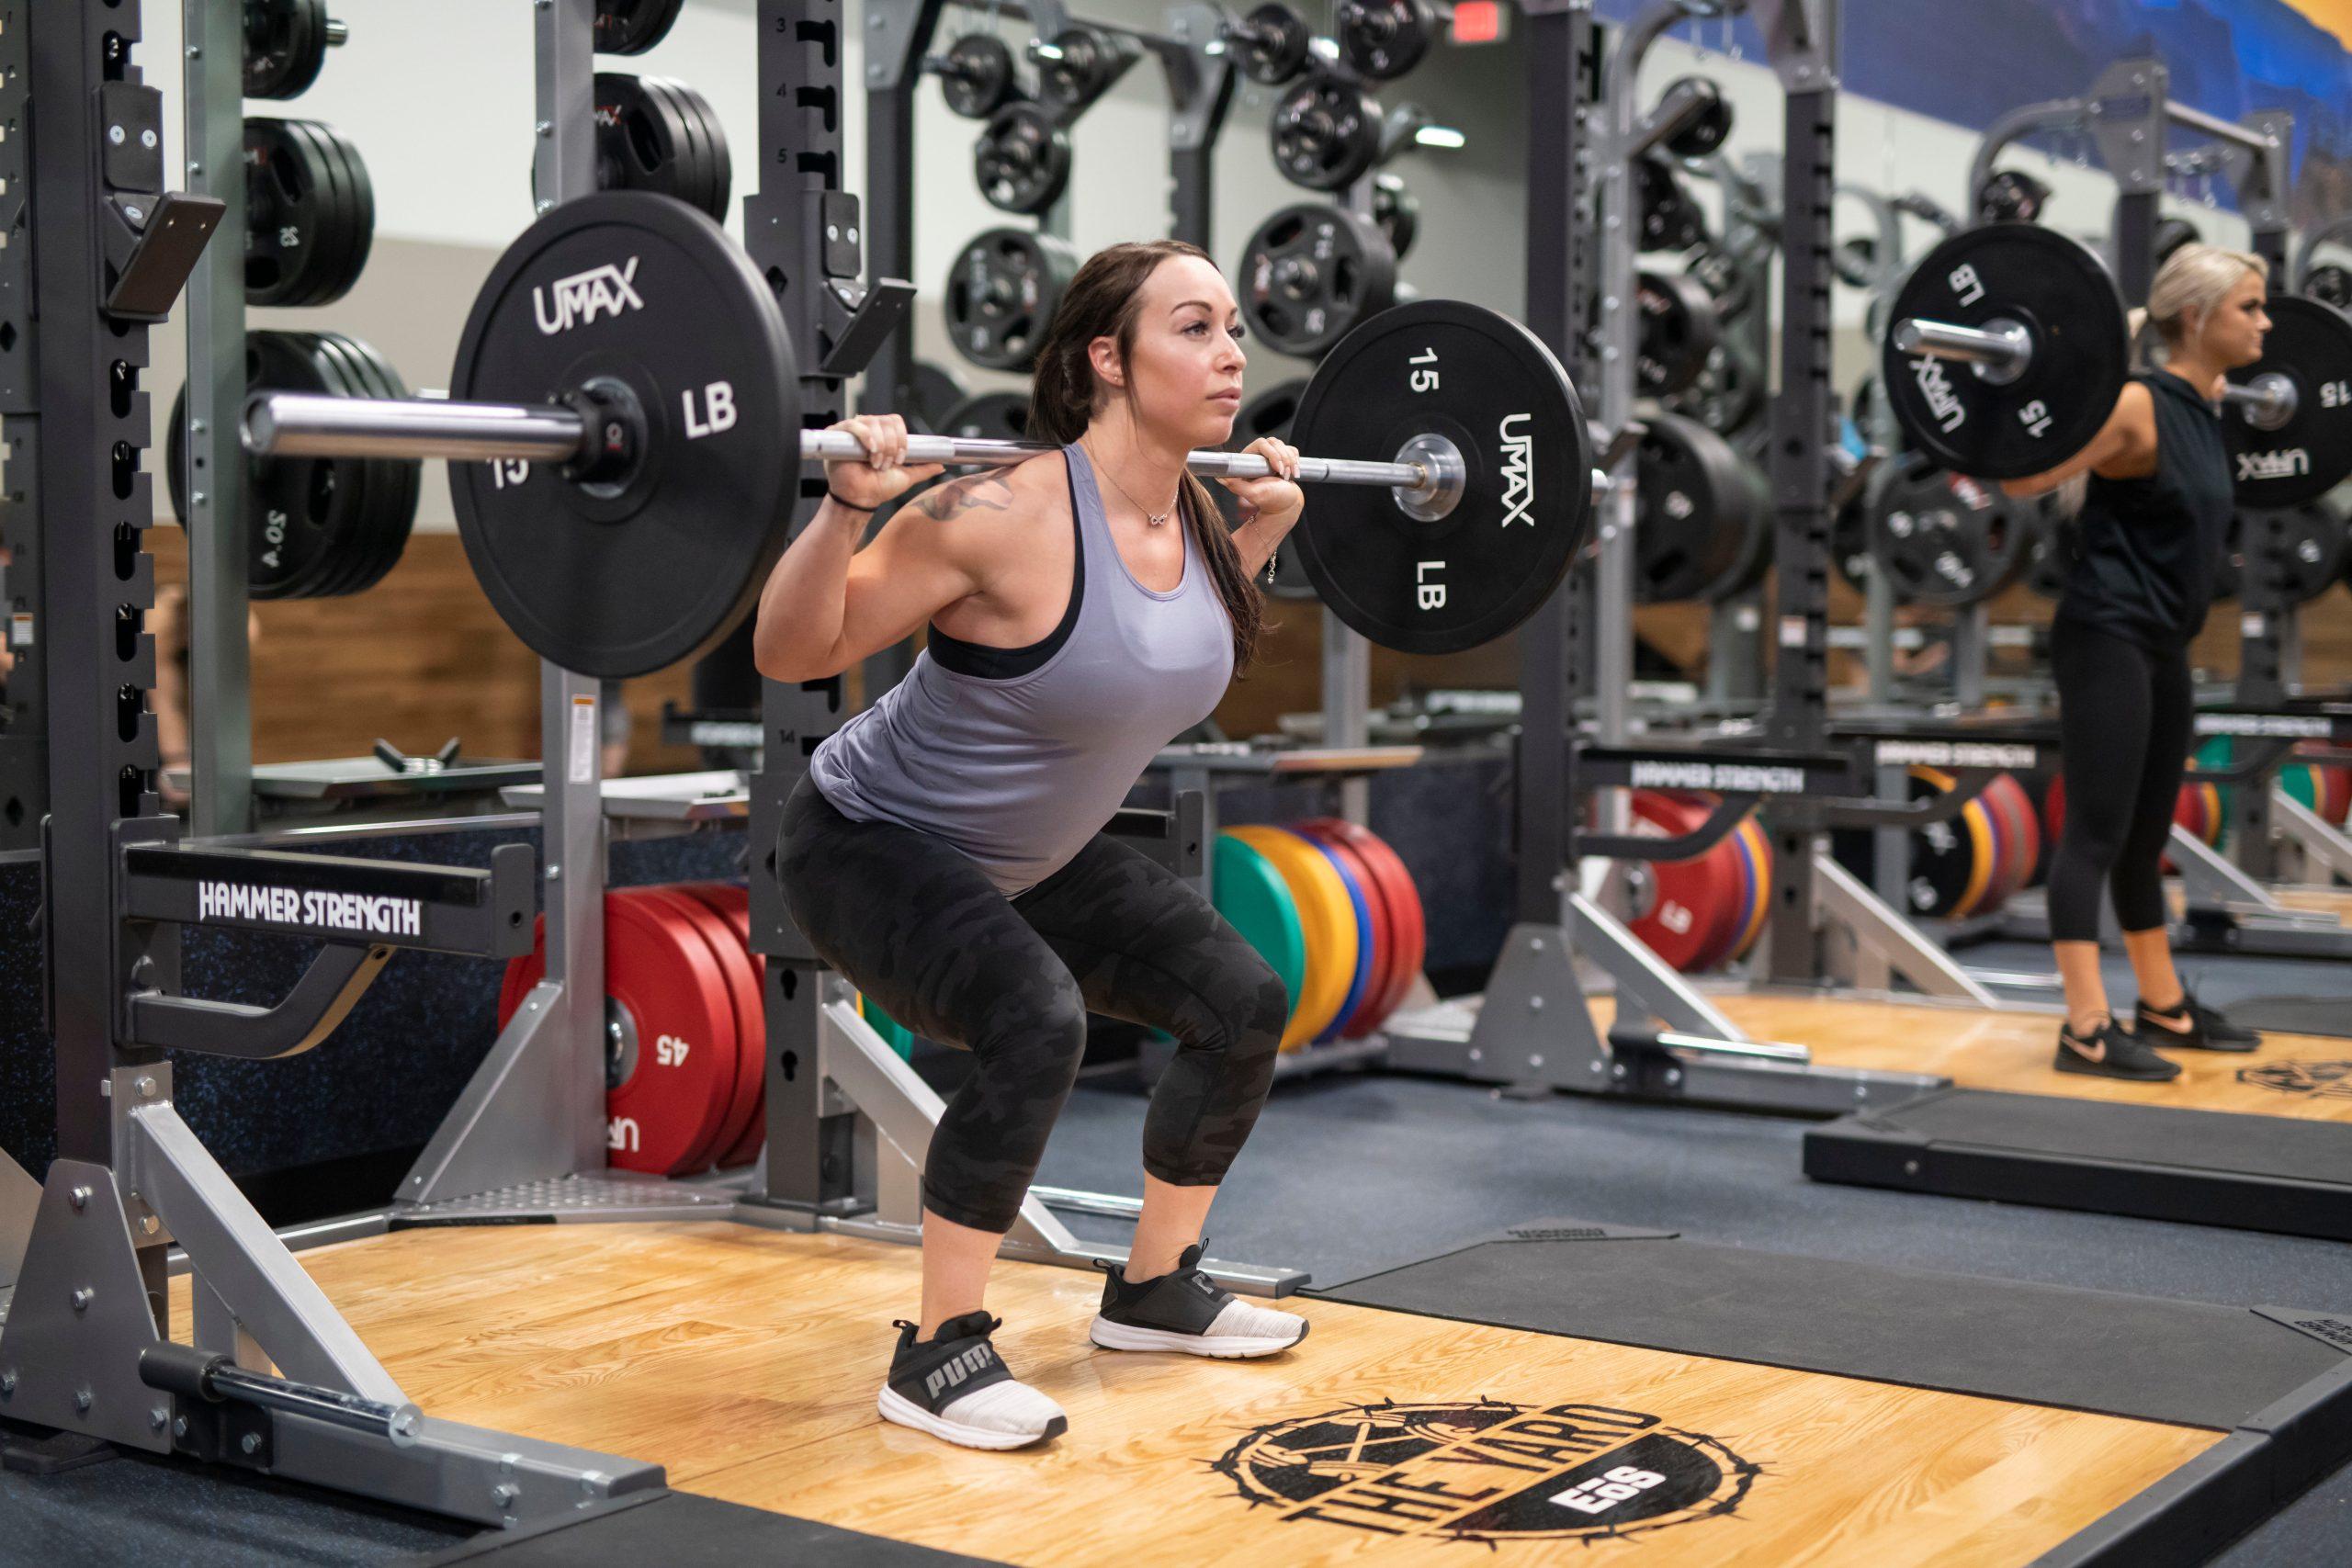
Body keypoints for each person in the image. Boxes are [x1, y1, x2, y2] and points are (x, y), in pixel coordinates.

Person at [752, 240, 1312, 1451]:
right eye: (1193, 327)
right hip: (872, 839)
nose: (1230, 354)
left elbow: (1160, 662)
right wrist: (845, 509)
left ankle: (1157, 1288)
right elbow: (795, 655)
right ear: (1106, 358)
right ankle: (939, 1350)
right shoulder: (994, 513)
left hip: (1031, 853)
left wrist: (1260, 541)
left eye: (1233, 329)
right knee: (1036, 1014)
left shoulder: (1202, 520)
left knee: (1241, 998)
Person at [2003, 243, 2269, 1080]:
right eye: (2250, 307)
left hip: (2163, 644)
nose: (2266, 324)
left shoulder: (2203, 405)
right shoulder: (2137, 407)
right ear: (2195, 318)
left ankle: (2162, 1004)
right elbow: (2026, 479)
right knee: (2094, 832)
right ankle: (2084, 1026)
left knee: (2148, 833)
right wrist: (1993, 407)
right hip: (2107, 637)